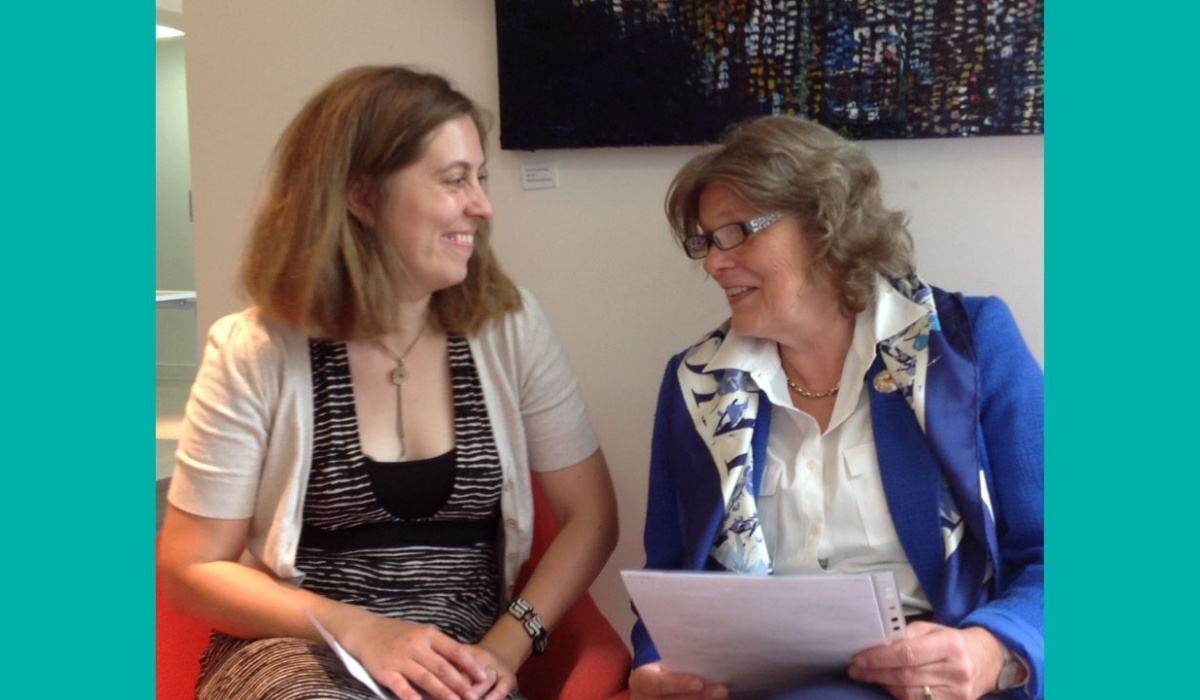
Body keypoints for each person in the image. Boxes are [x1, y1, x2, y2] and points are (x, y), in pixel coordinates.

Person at [157, 65, 619, 700]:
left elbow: (591, 517)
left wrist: (506, 647)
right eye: (454, 180)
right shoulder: (254, 350)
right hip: (297, 650)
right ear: (361, 195)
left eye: (480, 178)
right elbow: (191, 568)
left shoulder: (510, 328)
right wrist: (360, 630)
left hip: (457, 662)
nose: (482, 206)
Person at [628, 116, 1042, 700]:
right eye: (707, 241)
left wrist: (990, 649)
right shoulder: (697, 385)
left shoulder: (967, 348)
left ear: (825, 224)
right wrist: (654, 670)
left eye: (736, 232)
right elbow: (668, 578)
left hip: (925, 683)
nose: (713, 263)